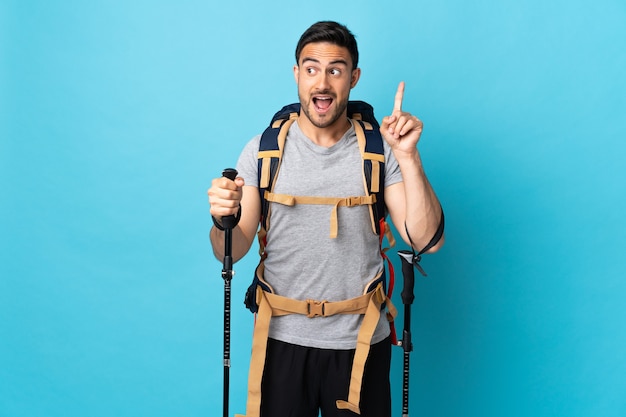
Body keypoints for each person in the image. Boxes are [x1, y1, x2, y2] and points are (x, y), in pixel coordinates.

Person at [208, 20, 444, 417]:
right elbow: (231, 250)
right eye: (311, 68)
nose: (322, 82)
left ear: (353, 77)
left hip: (362, 341)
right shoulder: (263, 151)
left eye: (335, 69)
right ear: (297, 74)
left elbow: (427, 241)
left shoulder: (378, 151)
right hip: (280, 340)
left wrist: (407, 157)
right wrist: (222, 220)